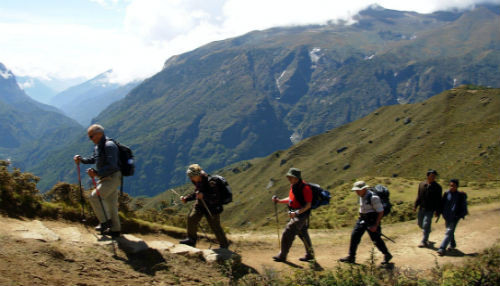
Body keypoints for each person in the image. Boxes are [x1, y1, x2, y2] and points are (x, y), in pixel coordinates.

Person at [74, 124, 122, 237]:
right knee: (111, 205)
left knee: (94, 196)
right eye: (89, 137)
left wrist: (96, 173)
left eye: (91, 136)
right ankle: (115, 231)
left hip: (112, 177)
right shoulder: (98, 146)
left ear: (99, 134)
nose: (90, 139)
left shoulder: (109, 146)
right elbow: (94, 159)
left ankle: (105, 222)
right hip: (107, 178)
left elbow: (112, 166)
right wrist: (82, 160)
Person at [339, 181, 392, 264]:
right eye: (356, 190)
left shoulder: (374, 197)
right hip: (362, 219)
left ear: (364, 189)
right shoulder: (361, 196)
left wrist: (375, 225)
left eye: (358, 190)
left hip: (372, 220)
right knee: (354, 236)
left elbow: (380, 212)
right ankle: (351, 257)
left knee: (376, 239)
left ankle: (387, 254)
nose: (356, 191)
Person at [179, 164, 229, 249]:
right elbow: (197, 192)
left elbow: (215, 197)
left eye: (191, 176)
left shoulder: (211, 181)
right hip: (200, 204)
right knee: (191, 218)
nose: (190, 178)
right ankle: (191, 240)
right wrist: (186, 198)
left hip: (213, 207)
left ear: (197, 175)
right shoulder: (196, 180)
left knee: (215, 226)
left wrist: (204, 195)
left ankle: (224, 245)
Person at [271, 168, 315, 262]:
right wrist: (279, 201)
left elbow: (308, 205)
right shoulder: (294, 186)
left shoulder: (305, 188)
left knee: (288, 232)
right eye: (288, 176)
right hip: (296, 213)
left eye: (290, 177)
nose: (288, 178)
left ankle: (282, 255)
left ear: (296, 178)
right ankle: (310, 255)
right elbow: (291, 199)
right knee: (303, 234)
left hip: (301, 215)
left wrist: (296, 213)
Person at [437, 179, 468, 256]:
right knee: (450, 231)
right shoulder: (446, 193)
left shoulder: (460, 195)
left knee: (448, 231)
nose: (451, 187)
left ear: (457, 186)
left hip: (455, 217)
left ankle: (442, 248)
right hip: (447, 216)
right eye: (450, 185)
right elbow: (442, 204)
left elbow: (464, 205)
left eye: (453, 186)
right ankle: (453, 244)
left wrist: (461, 214)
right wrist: (438, 212)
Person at [414, 169, 443, 247]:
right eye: (432, 176)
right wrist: (415, 206)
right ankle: (427, 231)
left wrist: (438, 211)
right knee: (420, 224)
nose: (433, 177)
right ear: (428, 176)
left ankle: (424, 240)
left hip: (430, 210)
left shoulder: (438, 187)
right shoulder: (421, 184)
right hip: (421, 208)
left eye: (434, 176)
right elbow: (419, 196)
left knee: (426, 223)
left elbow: (439, 200)